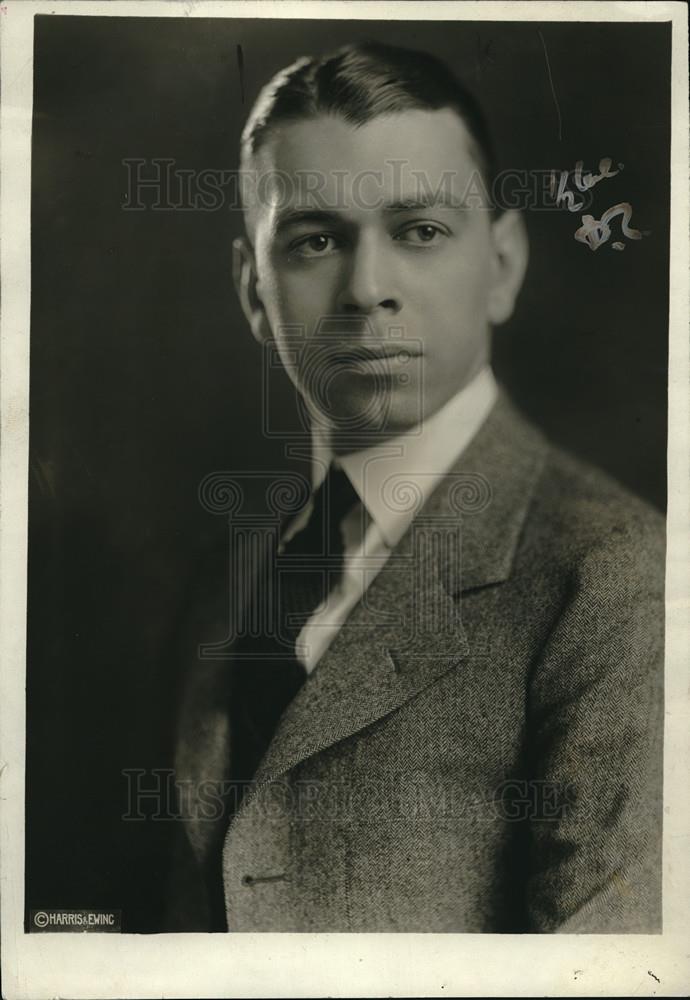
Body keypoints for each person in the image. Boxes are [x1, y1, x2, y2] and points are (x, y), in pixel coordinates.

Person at [165, 42, 664, 933]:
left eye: (420, 232)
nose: (367, 289)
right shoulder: (229, 577)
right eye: (316, 240)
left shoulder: (619, 576)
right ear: (252, 290)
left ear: (502, 265)